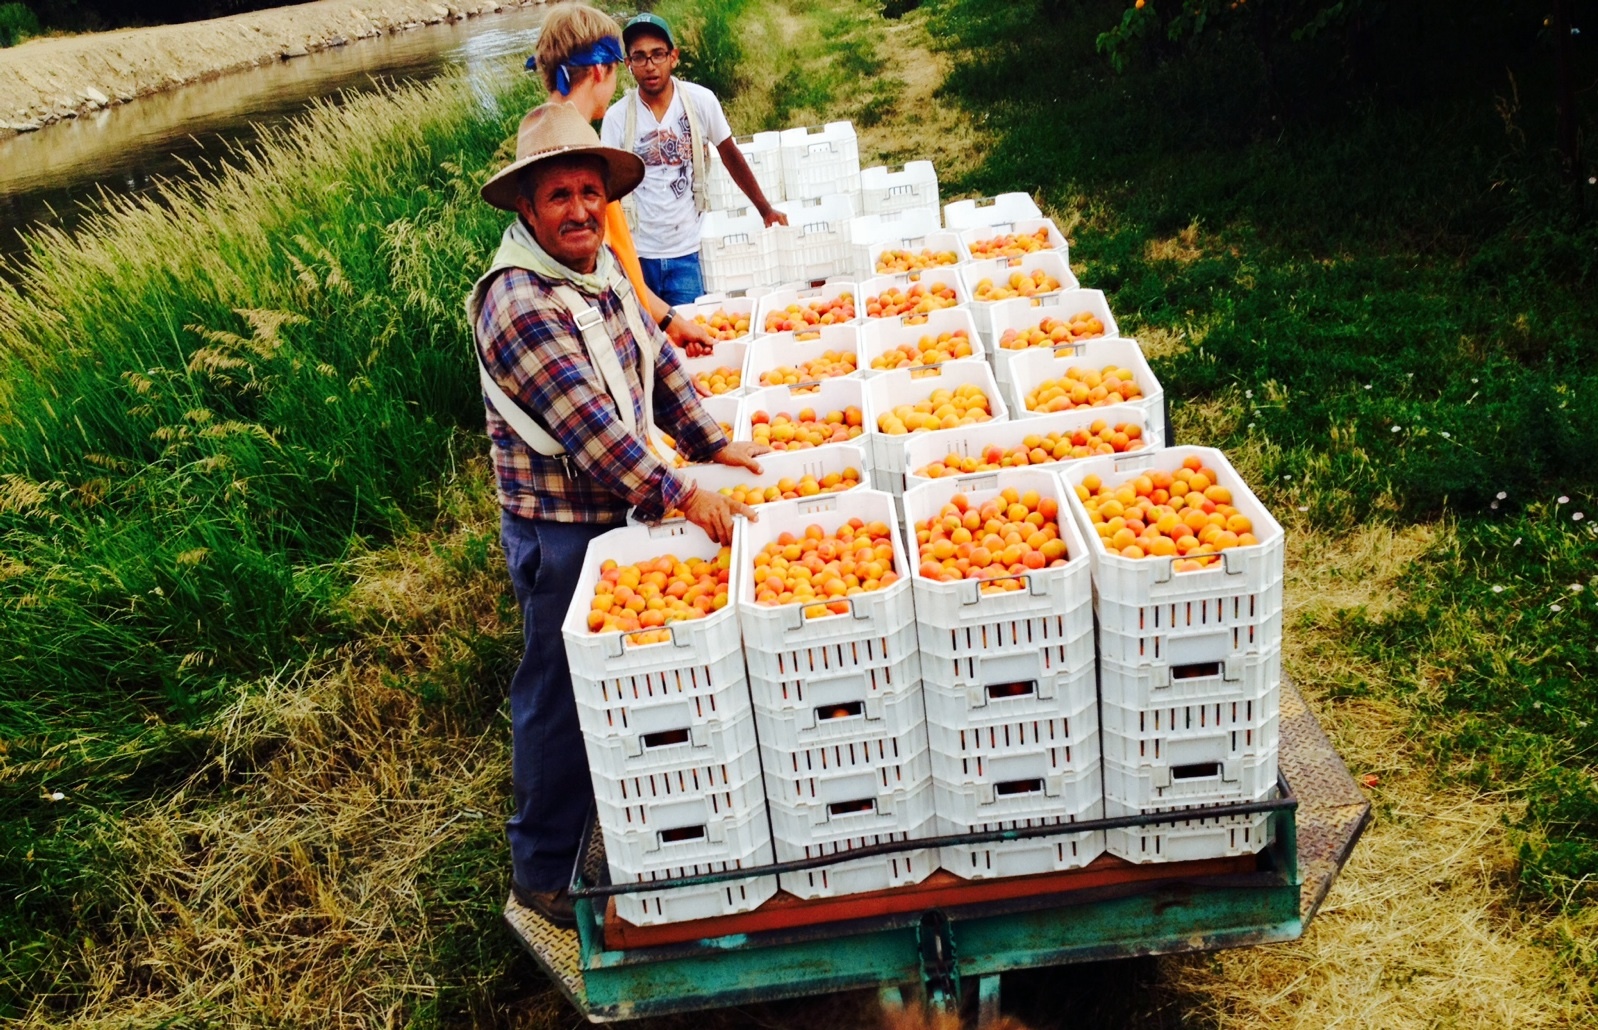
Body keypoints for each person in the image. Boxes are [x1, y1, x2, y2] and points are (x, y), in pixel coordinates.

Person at [467, 101, 766, 927]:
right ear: (527, 208)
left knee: (621, 676)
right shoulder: (519, 299)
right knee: (559, 690)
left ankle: (638, 814)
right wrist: (685, 491)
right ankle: (543, 867)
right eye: (558, 195)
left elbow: (656, 357)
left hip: (615, 512)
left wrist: (710, 439)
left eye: (590, 191)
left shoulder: (597, 273)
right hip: (561, 528)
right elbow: (591, 432)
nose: (579, 210)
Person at [528, 2, 715, 356]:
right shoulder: (582, 158)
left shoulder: (538, 134)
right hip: (590, 340)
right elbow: (606, 267)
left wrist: (669, 320)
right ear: (601, 70)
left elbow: (616, 266)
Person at [601, 12, 787, 307]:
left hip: (686, 252)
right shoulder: (617, 118)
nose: (650, 66)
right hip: (638, 255)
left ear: (673, 57)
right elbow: (605, 190)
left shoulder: (701, 102)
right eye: (639, 57)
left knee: (690, 338)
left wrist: (765, 209)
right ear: (628, 64)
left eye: (657, 55)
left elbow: (730, 155)